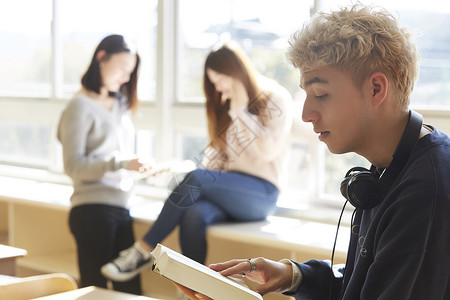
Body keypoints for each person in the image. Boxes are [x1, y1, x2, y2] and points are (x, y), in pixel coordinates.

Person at [175, 4, 450, 300]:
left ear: (375, 89)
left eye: (320, 95)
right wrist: (294, 275)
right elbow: (363, 283)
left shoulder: (425, 195)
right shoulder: (387, 169)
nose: (306, 114)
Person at [101, 41, 294, 282]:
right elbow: (212, 165)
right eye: (214, 83)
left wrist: (241, 108)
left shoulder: (274, 98)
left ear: (237, 72)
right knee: (193, 214)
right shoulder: (228, 108)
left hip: (262, 194)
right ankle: (194, 287)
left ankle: (142, 250)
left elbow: (267, 151)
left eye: (221, 79)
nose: (219, 88)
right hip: (228, 191)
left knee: (197, 182)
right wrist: (175, 168)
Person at [57, 34, 148, 295]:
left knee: (130, 291)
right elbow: (74, 166)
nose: (126, 77)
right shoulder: (79, 107)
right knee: (95, 291)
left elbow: (117, 158)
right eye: (121, 68)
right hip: (92, 209)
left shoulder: (120, 104)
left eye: (130, 72)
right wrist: (122, 163)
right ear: (101, 58)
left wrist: (137, 168)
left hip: (121, 207)